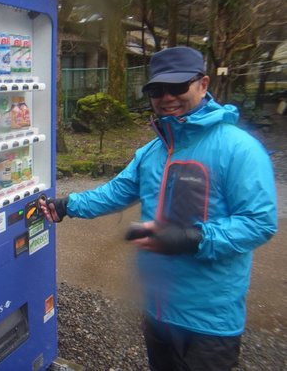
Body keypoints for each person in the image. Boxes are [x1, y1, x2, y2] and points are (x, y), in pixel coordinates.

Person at [39, 46, 278, 371]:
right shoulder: (152, 152)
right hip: (157, 309)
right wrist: (66, 205)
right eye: (156, 90)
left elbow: (259, 222)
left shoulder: (239, 148)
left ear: (203, 84)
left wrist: (188, 238)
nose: (166, 97)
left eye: (178, 87)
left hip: (208, 319)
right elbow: (115, 192)